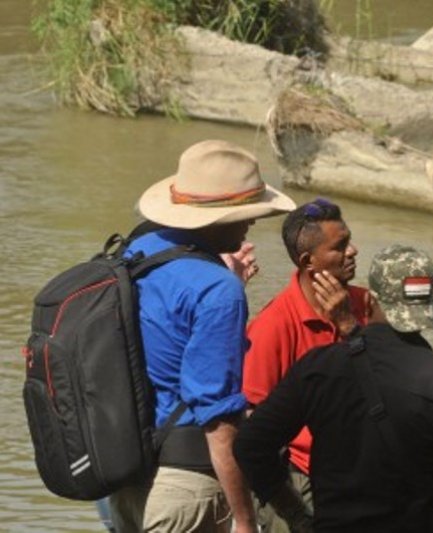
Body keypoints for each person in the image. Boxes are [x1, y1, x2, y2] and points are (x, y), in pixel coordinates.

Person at [233, 245, 433, 532]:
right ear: (431, 307)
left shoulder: (320, 368)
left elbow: (250, 445)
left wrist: (296, 514)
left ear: (369, 300)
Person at [108, 139, 296, 532]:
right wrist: (244, 520)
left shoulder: (135, 250)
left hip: (124, 482)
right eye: (246, 214)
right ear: (219, 217)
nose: (252, 223)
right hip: (184, 489)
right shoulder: (216, 290)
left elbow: (164, 340)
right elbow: (219, 421)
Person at [242, 198, 368, 529]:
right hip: (300, 478)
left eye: (349, 240)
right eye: (339, 247)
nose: (352, 251)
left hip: (364, 474)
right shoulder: (273, 325)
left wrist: (349, 326)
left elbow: (391, 380)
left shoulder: (365, 304)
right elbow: (252, 423)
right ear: (308, 261)